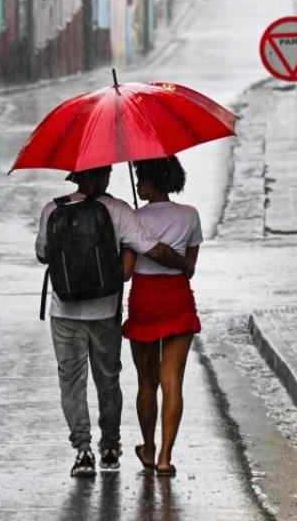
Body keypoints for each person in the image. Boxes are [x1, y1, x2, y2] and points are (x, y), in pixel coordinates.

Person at [35, 165, 193, 479]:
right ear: (105, 176)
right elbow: (151, 250)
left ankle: (82, 451)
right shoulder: (117, 209)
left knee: (72, 383)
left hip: (64, 312)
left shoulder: (53, 208)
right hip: (105, 311)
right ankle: (110, 445)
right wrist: (182, 263)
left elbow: (42, 254)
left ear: (74, 177)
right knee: (108, 380)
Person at [123, 156, 202, 477]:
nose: (138, 183)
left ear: (152, 181)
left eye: (141, 178)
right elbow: (190, 267)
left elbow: (127, 272)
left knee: (147, 382)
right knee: (173, 383)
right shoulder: (189, 216)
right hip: (178, 299)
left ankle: (148, 446)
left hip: (144, 299)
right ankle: (166, 457)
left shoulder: (133, 219)